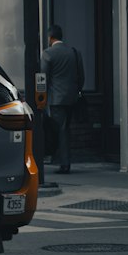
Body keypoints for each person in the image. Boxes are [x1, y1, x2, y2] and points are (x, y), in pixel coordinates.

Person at [41, 24, 84, 174]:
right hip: (72, 98)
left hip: (57, 99)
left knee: (61, 129)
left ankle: (64, 163)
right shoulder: (74, 52)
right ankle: (63, 160)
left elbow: (43, 78)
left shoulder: (48, 54)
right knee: (65, 129)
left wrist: (43, 99)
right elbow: (81, 77)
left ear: (50, 37)